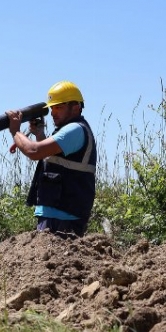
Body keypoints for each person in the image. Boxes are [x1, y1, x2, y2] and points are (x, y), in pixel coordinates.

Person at [6, 81, 97, 237]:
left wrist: (15, 131)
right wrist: (40, 134)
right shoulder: (67, 130)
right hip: (56, 214)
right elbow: (50, 155)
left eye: (59, 107)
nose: (53, 112)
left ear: (75, 107)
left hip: (64, 217)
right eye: (52, 108)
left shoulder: (74, 130)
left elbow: (34, 151)